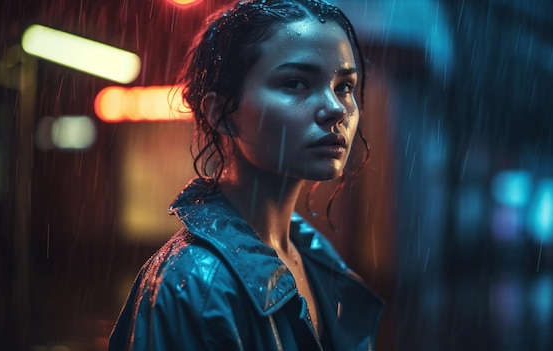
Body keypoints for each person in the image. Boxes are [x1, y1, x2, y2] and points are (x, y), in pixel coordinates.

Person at [109, 0, 384, 349]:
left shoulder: (314, 259)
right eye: (297, 83)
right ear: (221, 114)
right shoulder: (196, 283)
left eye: (344, 86)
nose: (335, 109)